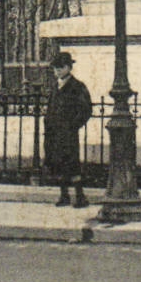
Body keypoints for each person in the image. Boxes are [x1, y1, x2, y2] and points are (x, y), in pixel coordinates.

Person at [44, 52, 92, 208]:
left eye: (60, 67)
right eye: (55, 68)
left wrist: (73, 125)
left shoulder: (77, 86)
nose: (57, 71)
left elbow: (86, 109)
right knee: (58, 162)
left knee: (72, 163)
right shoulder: (55, 87)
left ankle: (80, 196)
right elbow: (50, 108)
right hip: (54, 132)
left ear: (69, 68)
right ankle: (64, 195)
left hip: (69, 132)